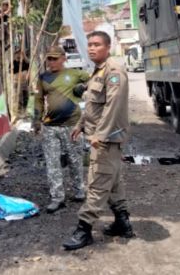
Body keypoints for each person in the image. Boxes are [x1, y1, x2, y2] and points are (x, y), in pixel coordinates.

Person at [63, 31, 133, 250]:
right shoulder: (98, 71)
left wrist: (99, 136)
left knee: (97, 183)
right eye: (89, 44)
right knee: (112, 181)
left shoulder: (114, 71)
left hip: (106, 140)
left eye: (97, 45)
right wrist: (81, 125)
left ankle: (84, 229)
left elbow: (113, 107)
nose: (92, 48)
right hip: (99, 137)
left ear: (108, 47)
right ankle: (123, 222)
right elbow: (94, 105)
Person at [33, 45, 90, 213]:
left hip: (72, 125)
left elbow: (95, 78)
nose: (51, 62)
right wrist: (36, 121)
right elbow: (37, 100)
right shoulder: (43, 78)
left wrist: (83, 88)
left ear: (64, 58)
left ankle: (79, 190)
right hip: (50, 126)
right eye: (49, 59)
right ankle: (57, 197)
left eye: (55, 58)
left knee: (75, 159)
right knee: (52, 163)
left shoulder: (74, 74)